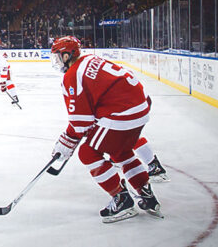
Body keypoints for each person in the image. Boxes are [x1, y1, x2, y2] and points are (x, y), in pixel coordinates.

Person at [49, 36, 164, 223]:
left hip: (122, 114)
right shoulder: (91, 60)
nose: (56, 62)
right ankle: (147, 195)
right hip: (140, 108)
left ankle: (122, 199)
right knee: (120, 151)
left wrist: (65, 143)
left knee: (87, 153)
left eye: (57, 56)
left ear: (67, 55)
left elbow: (81, 122)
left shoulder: (72, 75)